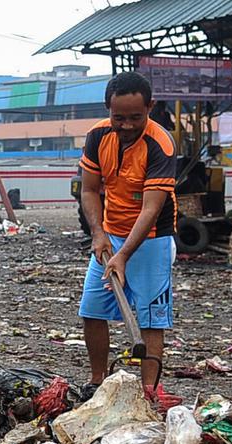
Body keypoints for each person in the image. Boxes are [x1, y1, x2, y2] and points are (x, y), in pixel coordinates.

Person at [78, 71, 180, 408]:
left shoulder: (161, 144)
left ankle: (149, 391)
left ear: (150, 107)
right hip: (109, 236)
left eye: (135, 117)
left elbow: (151, 209)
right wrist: (99, 234)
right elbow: (90, 190)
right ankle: (97, 381)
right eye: (118, 117)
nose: (126, 125)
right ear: (108, 109)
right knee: (92, 309)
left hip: (151, 239)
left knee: (151, 317)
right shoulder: (97, 136)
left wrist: (124, 256)